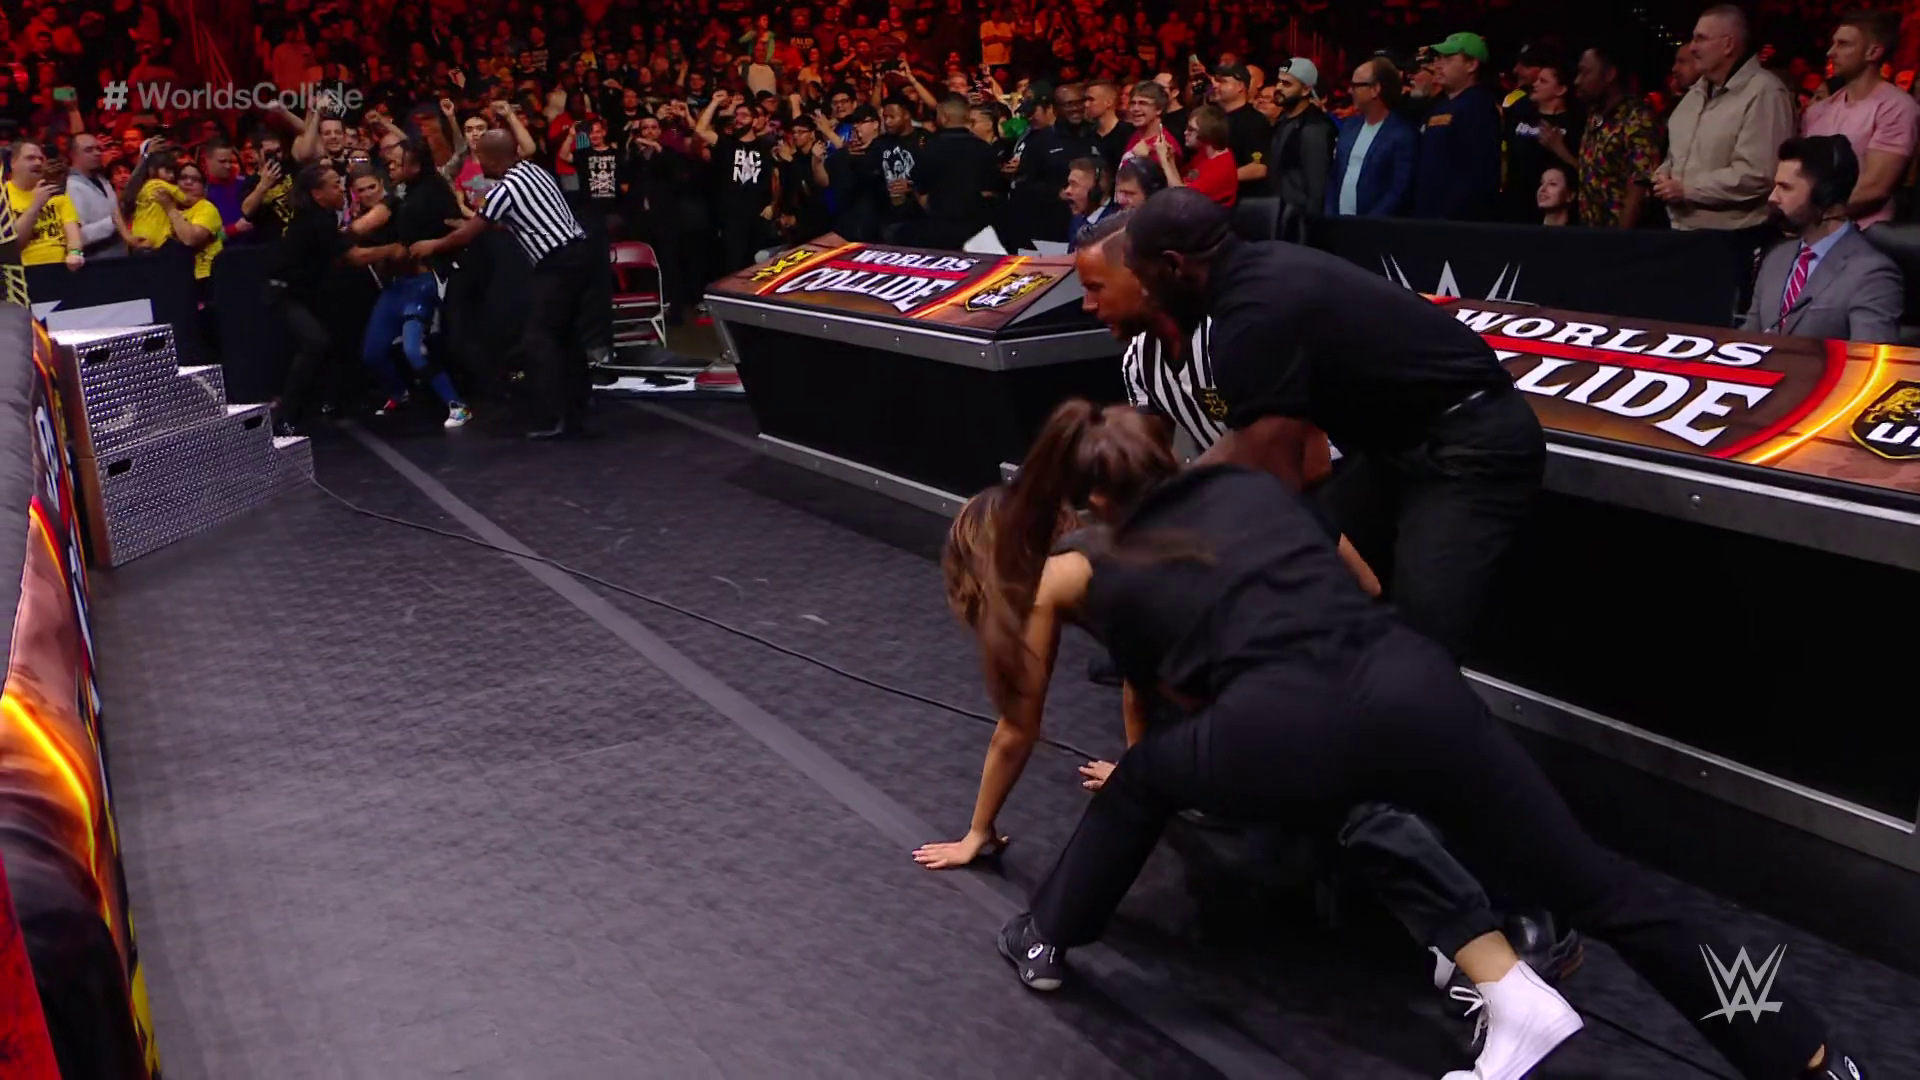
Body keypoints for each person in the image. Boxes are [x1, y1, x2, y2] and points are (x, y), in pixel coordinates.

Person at [963, 400, 1865, 1080]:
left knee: (1148, 778)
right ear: (1163, 455)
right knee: (1609, 892)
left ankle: (1045, 936)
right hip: (1411, 683)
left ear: (1088, 498)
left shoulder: (1079, 569)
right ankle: (1810, 1058)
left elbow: (1042, 709)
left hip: (1280, 724)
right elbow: (1353, 581)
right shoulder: (1246, 487)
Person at [1126, 188, 1542, 659]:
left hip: (1471, 443)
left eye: (1142, 278)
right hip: (1398, 443)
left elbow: (1272, 470)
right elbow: (1256, 445)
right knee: (1339, 577)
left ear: (1173, 265)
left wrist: (1164, 519)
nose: (1144, 294)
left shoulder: (1254, 315)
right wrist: (1169, 501)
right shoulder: (1260, 273)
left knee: (1424, 637)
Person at [414, 130, 594, 440]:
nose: (479, 163)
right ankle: (580, 404)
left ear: (492, 158)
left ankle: (562, 414)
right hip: (579, 254)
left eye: (480, 157)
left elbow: (467, 235)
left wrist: (432, 244)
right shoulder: (535, 170)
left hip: (558, 262)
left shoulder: (505, 189)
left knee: (539, 338)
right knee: (564, 334)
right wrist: (469, 225)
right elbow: (520, 219)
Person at [353, 140, 475, 429]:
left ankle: (457, 405)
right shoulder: (396, 199)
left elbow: (400, 249)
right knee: (372, 352)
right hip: (394, 287)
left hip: (421, 283)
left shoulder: (410, 202)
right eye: (361, 190)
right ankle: (400, 394)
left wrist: (363, 252)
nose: (391, 166)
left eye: (372, 187)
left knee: (413, 349)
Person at [1742, 135, 1902, 343]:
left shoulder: (1871, 274)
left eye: (1786, 187)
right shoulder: (1776, 258)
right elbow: (1747, 337)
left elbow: (1868, 358)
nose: (1773, 197)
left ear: (1825, 197)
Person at [267, 165, 388, 435]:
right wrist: (393, 249)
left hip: (309, 292)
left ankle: (332, 399)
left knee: (333, 338)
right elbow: (354, 257)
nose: (341, 189)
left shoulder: (324, 216)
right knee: (315, 343)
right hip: (285, 292)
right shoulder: (315, 220)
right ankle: (285, 415)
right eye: (335, 185)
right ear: (317, 194)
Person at [1654, 5, 1795, 231]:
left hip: (1735, 236)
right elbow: (1676, 156)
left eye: (1700, 39)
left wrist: (1688, 189)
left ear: (1728, 44)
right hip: (1680, 229)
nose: (1692, 48)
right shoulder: (1692, 96)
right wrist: (1663, 174)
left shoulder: (1765, 93)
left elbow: (1759, 174)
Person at [1801, 9, 1919, 230]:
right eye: (1833, 43)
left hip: (1865, 234)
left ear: (1873, 52)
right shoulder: (1819, 110)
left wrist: (1810, 212)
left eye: (1843, 44)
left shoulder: (1896, 107)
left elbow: (1874, 187)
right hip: (1812, 230)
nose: (1831, 52)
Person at [1413, 33, 1502, 221]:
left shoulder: (1479, 107)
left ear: (1471, 65)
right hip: (1427, 216)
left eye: (1448, 59)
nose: (1438, 65)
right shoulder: (1439, 105)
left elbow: (1479, 174)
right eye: (1438, 58)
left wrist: (1452, 218)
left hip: (1457, 223)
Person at [909, 95, 1003, 249]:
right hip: (977, 231)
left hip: (939, 228)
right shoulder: (984, 149)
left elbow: (921, 190)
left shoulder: (929, 149)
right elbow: (990, 191)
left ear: (944, 117)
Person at [1327, 57, 1417, 217]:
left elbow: (1399, 190)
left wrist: (1369, 224)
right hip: (1338, 223)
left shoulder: (1403, 133)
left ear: (1375, 89)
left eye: (1355, 86)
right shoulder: (1349, 127)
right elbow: (1334, 177)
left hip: (1376, 226)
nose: (1349, 91)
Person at [3, 141, 84, 270]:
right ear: (13, 163)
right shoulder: (3, 196)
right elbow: (12, 246)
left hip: (63, 267)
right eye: (30, 158)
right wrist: (36, 204)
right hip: (24, 271)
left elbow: (73, 232)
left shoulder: (56, 190)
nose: (38, 163)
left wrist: (75, 253)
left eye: (41, 159)